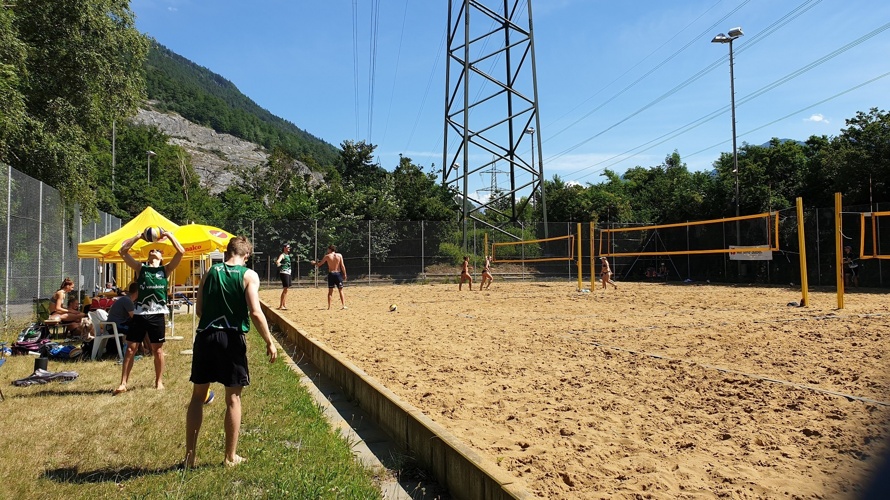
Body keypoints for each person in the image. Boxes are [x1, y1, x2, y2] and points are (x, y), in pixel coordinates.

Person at [184, 236, 277, 468]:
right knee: (233, 398)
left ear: (227, 252)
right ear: (246, 256)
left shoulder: (209, 272)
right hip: (232, 338)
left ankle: (189, 458)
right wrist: (269, 341)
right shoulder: (248, 275)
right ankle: (230, 456)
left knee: (197, 396)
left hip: (205, 336)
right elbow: (255, 312)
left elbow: (200, 310)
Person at [114, 228, 184, 395]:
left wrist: (169, 236)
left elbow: (181, 251)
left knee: (157, 350)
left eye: (158, 251)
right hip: (139, 314)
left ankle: (158, 381)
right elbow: (122, 251)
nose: (154, 251)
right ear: (148, 256)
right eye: (152, 250)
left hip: (157, 314)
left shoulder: (165, 270)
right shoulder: (140, 269)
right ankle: (123, 383)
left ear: (161, 258)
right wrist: (138, 236)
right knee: (131, 348)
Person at [311, 245, 347, 310]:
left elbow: (319, 264)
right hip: (338, 274)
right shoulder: (339, 255)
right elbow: (342, 266)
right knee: (340, 290)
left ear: (330, 249)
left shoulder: (327, 256)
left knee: (330, 291)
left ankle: (329, 307)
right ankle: (343, 305)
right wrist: (344, 274)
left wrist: (314, 263)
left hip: (331, 274)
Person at [275, 243, 292, 310]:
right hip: (284, 272)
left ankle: (283, 304)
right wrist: (278, 263)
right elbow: (278, 261)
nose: (289, 248)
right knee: (285, 288)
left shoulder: (287, 255)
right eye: (288, 247)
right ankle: (281, 305)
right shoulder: (282, 255)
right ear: (284, 248)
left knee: (286, 289)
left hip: (288, 272)